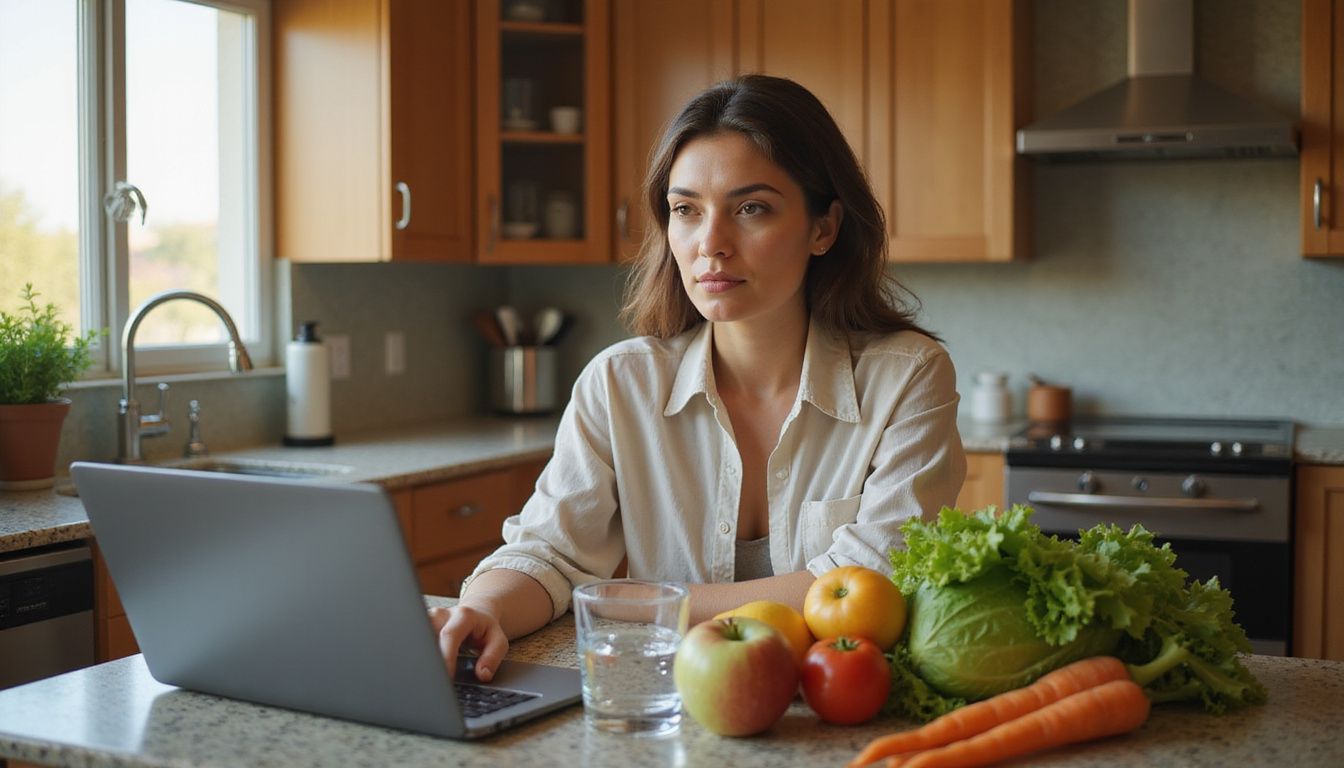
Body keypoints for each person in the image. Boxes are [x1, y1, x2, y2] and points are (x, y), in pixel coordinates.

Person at [432, 74, 965, 681]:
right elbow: (550, 554)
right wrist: (479, 609)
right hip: (662, 713)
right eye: (686, 210)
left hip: (836, 712)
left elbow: (870, 584)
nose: (711, 244)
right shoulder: (618, 384)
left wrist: (647, 601)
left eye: (751, 208)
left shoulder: (907, 378)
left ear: (824, 228)